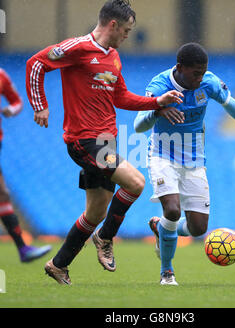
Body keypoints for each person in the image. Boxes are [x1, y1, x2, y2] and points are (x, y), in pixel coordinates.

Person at [26, 0, 183, 285]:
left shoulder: (113, 57)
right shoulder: (77, 48)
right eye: (126, 30)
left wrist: (156, 102)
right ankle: (106, 237)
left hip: (105, 142)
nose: (127, 35)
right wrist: (40, 105)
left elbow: (121, 97)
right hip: (84, 141)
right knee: (135, 183)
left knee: (95, 211)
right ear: (113, 24)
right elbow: (35, 63)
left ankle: (59, 265)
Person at [133, 43, 235, 285]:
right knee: (172, 209)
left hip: (194, 160)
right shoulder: (160, 85)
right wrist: (157, 110)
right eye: (195, 73)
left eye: (203, 72)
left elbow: (232, 106)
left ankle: (162, 228)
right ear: (180, 68)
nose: (200, 78)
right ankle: (167, 272)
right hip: (162, 155)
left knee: (198, 228)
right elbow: (138, 126)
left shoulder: (209, 82)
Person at [0, 67, 52, 262]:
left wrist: (10, 110)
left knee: (2, 194)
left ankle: (23, 249)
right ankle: (22, 248)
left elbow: (17, 101)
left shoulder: (2, 75)